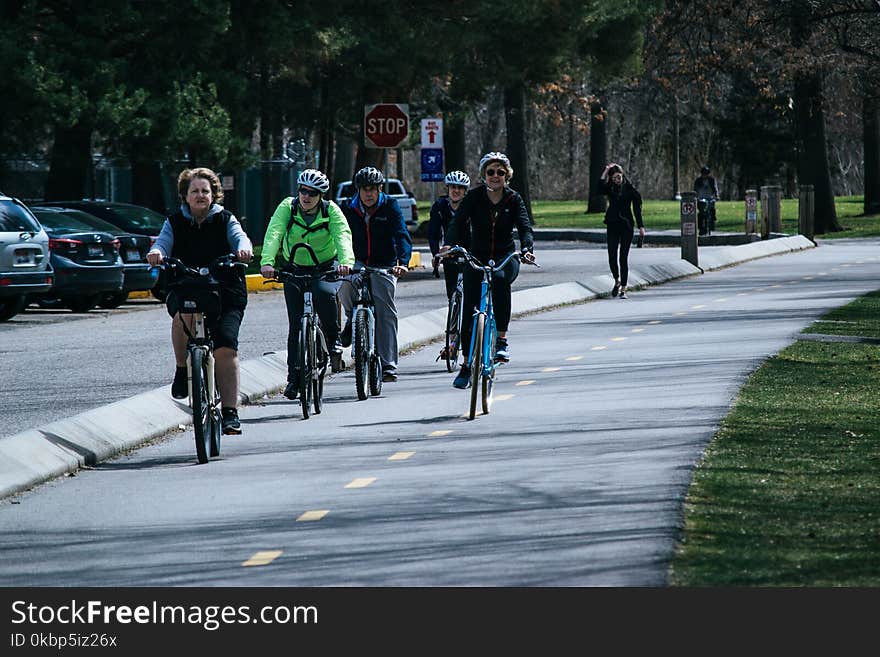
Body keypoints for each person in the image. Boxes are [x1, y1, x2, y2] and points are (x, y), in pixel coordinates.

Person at [147, 167, 253, 435]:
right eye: (194, 191)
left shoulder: (225, 219)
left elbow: (240, 237)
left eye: (205, 191)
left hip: (225, 291)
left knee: (225, 349)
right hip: (187, 286)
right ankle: (183, 369)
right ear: (185, 195)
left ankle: (230, 412)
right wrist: (157, 253)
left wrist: (244, 250)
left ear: (214, 194)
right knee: (183, 315)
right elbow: (162, 242)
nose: (200, 195)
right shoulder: (174, 221)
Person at [439, 151, 535, 390]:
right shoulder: (474, 198)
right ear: (483, 175)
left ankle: (501, 340)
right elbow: (457, 222)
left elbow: (524, 226)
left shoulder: (514, 199)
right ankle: (465, 365)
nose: (495, 176)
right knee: (470, 307)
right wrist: (449, 245)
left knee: (501, 281)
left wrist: (527, 248)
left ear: (507, 176)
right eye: (490, 172)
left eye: (500, 172)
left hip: (505, 256)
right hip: (477, 256)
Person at [260, 168, 354, 401]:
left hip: (325, 267)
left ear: (321, 195)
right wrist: (267, 262)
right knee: (295, 326)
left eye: (313, 192)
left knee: (324, 294)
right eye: (303, 190)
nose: (307, 196)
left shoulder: (330, 210)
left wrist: (346, 262)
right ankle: (293, 379)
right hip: (294, 268)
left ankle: (333, 341)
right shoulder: (288, 208)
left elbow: (342, 235)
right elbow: (275, 233)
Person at [337, 166, 412, 383]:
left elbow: (401, 234)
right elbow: (340, 236)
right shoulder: (347, 208)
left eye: (373, 189)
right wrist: (342, 262)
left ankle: (388, 365)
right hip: (356, 260)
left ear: (380, 189)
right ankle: (353, 319)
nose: (369, 193)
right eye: (365, 189)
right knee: (344, 285)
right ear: (358, 190)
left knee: (385, 310)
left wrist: (403, 263)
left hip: (384, 263)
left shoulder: (390, 205)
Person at [598, 162, 644, 300]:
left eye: (619, 177)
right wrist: (606, 171)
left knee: (623, 258)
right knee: (612, 255)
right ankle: (617, 280)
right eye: (614, 178)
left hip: (626, 226)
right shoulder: (610, 188)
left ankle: (623, 288)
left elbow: (637, 209)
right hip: (612, 224)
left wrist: (641, 226)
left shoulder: (630, 189)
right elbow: (598, 188)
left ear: (623, 176)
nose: (617, 180)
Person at [428, 170, 471, 300]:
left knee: (471, 293)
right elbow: (433, 234)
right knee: (452, 295)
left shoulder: (471, 206)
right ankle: (453, 314)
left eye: (460, 188)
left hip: (470, 250)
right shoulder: (440, 206)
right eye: (453, 187)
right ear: (448, 188)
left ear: (465, 191)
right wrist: (436, 254)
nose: (456, 191)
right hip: (449, 251)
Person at [693, 165, 719, 235]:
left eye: (706, 174)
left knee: (712, 208)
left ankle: (712, 222)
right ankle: (701, 227)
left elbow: (715, 188)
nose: (705, 175)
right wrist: (696, 197)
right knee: (701, 213)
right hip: (701, 198)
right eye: (703, 174)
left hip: (710, 197)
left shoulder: (712, 180)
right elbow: (695, 190)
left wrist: (716, 196)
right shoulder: (698, 181)